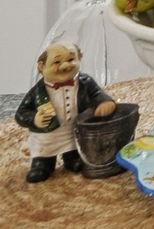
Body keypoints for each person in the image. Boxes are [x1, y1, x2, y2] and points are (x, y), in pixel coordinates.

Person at [17, 42, 114, 183]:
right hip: (48, 134)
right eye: (57, 62)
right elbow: (21, 113)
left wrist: (104, 102)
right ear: (41, 67)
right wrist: (35, 119)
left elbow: (96, 93)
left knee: (74, 147)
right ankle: (42, 165)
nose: (65, 66)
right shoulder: (37, 92)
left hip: (74, 129)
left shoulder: (85, 82)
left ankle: (72, 160)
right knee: (45, 152)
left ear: (80, 58)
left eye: (70, 59)